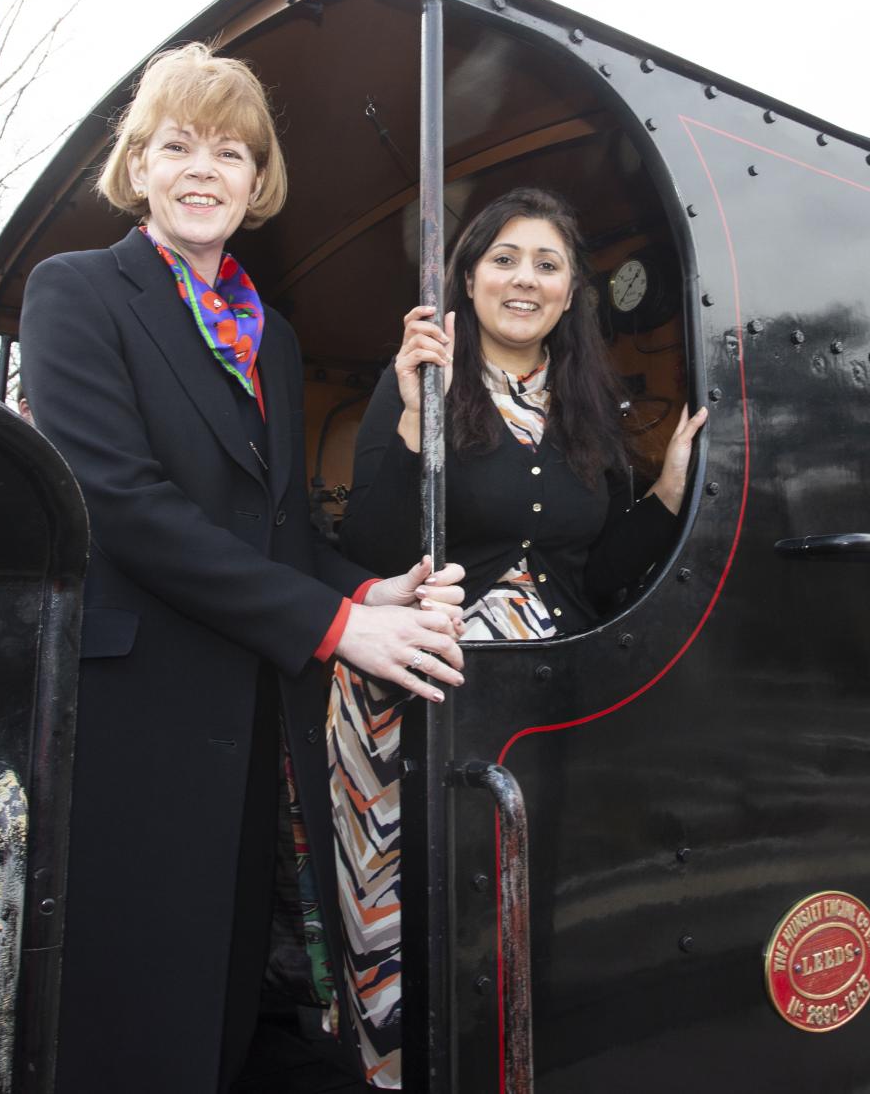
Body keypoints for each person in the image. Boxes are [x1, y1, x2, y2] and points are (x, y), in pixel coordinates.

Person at [19, 43, 469, 1093]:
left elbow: (266, 525)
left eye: (230, 150)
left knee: (218, 1004)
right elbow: (123, 504)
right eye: (177, 145)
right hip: (130, 715)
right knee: (127, 1009)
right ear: (137, 167)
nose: (202, 169)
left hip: (246, 715)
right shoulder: (75, 294)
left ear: (256, 181)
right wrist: (333, 627)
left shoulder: (271, 336)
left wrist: (366, 589)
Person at [336, 186, 706, 1087]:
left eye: (547, 263)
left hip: (556, 683)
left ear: (573, 288)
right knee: (419, 914)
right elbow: (371, 549)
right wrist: (418, 413)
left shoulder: (589, 401)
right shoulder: (416, 375)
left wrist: (665, 494)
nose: (524, 279)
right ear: (467, 277)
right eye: (503, 258)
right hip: (421, 679)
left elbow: (598, 571)